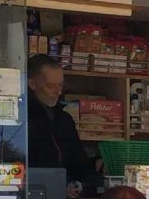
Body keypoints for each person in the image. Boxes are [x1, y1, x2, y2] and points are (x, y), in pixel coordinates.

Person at [27, 54, 99, 190]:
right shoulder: (22, 118)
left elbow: (77, 161)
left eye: (60, 85)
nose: (58, 91)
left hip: (62, 195)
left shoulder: (64, 119)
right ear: (32, 84)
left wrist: (95, 164)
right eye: (51, 86)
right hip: (34, 193)